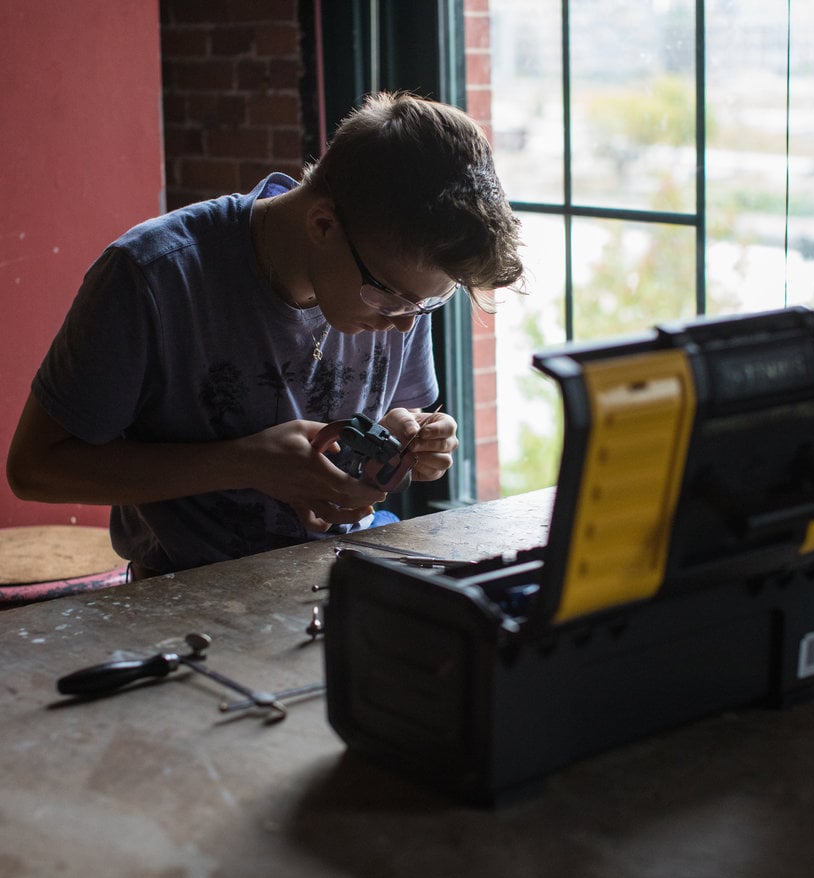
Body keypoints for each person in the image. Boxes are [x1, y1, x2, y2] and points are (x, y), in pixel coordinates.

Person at [6, 92, 524, 578]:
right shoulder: (153, 275)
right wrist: (244, 464)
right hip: (185, 589)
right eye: (390, 298)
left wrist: (409, 441)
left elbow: (400, 426)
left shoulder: (398, 277)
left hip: (342, 568)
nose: (407, 323)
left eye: (430, 301)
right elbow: (35, 469)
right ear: (322, 226)